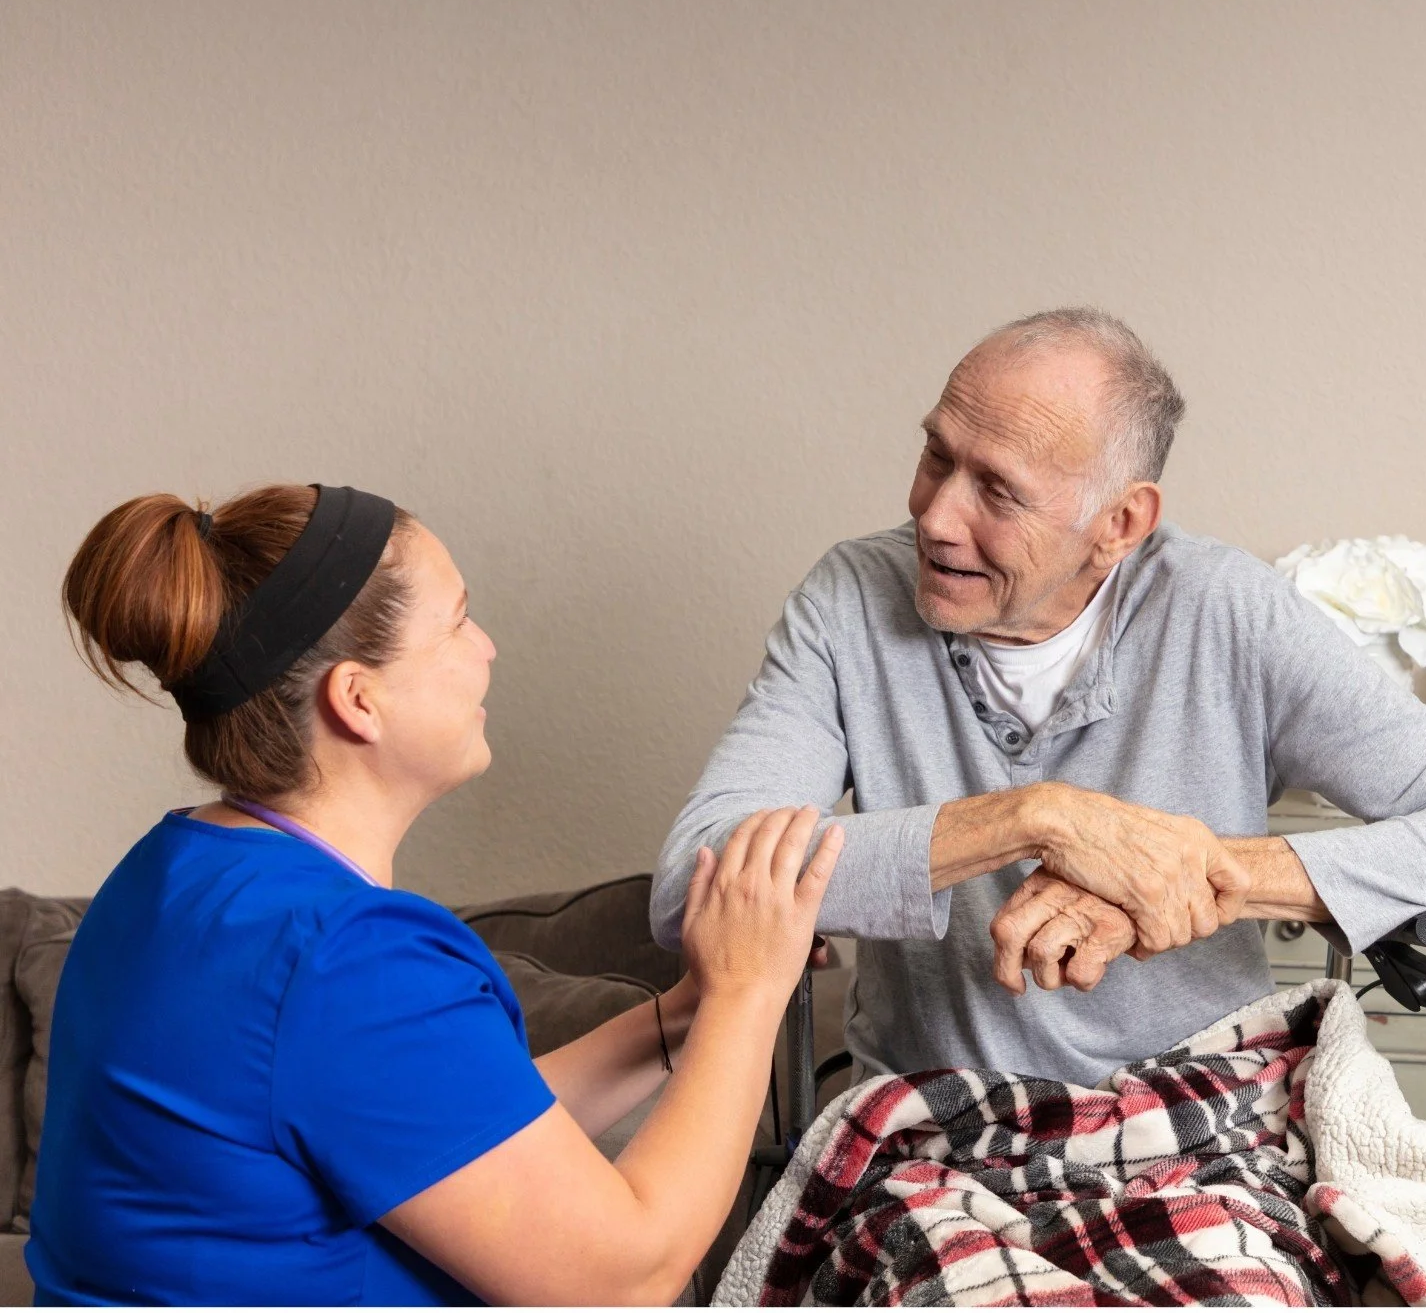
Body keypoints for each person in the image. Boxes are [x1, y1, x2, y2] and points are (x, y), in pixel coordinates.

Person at [653, 307, 1426, 1089]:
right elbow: (694, 877)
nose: (934, 516)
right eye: (937, 455)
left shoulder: (1226, 609)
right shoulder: (850, 599)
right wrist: (1038, 820)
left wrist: (1202, 872)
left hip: (1200, 1117)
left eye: (997, 492)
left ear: (1120, 523)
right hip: (928, 1129)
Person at [32, 484, 842, 1305]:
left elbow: (457, 1136)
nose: (485, 647)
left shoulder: (172, 874)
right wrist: (749, 991)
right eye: (457, 621)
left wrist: (686, 1011)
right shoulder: (340, 956)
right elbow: (622, 1281)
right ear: (359, 699)